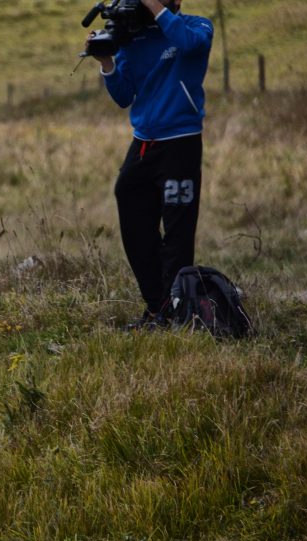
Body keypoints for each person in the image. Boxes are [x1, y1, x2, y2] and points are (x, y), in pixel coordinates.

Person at [90, 0, 214, 328]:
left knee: (177, 230)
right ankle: (159, 307)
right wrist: (107, 63)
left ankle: (180, 315)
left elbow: (188, 44)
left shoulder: (197, 27)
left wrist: (156, 8)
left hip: (181, 143)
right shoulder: (135, 39)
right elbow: (124, 96)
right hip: (143, 143)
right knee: (133, 217)